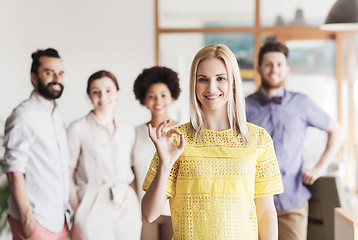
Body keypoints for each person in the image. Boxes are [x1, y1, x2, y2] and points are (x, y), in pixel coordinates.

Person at [142, 44, 284, 239]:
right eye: (203, 79)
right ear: (194, 84)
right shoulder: (176, 139)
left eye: (220, 79)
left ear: (233, 82)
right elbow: (150, 214)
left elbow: (266, 212)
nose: (211, 88)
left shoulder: (258, 140)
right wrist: (165, 165)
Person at [245, 41, 343, 240]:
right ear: (259, 68)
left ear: (287, 69)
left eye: (279, 65)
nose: (274, 70)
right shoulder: (243, 106)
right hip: (252, 203)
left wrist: (318, 168)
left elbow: (337, 131)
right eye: (269, 64)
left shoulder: (302, 103)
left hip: (293, 203)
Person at [3, 48, 69, 240]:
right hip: (35, 220)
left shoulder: (56, 114)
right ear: (34, 77)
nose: (57, 78)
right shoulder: (24, 115)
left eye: (61, 73)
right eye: (49, 73)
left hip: (59, 220)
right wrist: (26, 217)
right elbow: (14, 170)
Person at [67, 70, 141, 240]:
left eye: (108, 90)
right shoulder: (77, 129)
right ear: (89, 96)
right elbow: (67, 174)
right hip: (92, 203)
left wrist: (134, 201)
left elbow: (132, 172)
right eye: (96, 92)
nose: (103, 97)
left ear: (117, 93)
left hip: (125, 203)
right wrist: (79, 210)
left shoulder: (128, 131)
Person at [132, 66, 181, 240]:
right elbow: (131, 177)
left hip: (174, 210)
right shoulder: (135, 133)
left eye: (163, 95)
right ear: (144, 99)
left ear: (172, 96)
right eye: (151, 96)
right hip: (145, 210)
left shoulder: (181, 132)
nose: (158, 101)